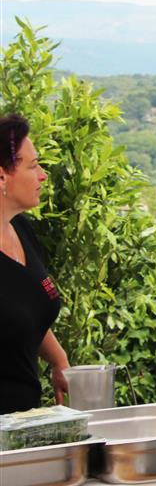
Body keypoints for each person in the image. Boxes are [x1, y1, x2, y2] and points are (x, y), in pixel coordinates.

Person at [0, 113, 69, 414]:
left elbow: (26, 310)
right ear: (2, 177)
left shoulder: (22, 229)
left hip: (21, 423)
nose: (42, 175)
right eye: (32, 166)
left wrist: (58, 360)